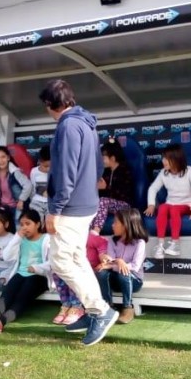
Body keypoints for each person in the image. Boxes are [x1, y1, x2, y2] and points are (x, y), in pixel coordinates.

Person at [38, 79, 118, 347]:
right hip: (85, 203)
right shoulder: (86, 123)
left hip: (71, 207)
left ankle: (100, 311)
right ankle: (95, 311)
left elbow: (66, 172)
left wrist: (54, 210)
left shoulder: (69, 125)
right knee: (76, 258)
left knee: (60, 262)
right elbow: (97, 167)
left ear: (50, 104)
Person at [143, 144, 191, 258]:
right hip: (171, 203)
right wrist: (151, 204)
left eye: (167, 158)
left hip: (187, 204)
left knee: (173, 209)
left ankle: (175, 244)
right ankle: (160, 245)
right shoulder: (163, 173)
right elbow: (153, 188)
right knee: (162, 207)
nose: (163, 161)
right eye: (163, 158)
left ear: (176, 159)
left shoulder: (189, 171)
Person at [96, 208, 147, 324]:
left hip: (134, 281)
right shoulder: (112, 240)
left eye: (116, 222)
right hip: (116, 280)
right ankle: (108, 306)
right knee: (101, 271)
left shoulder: (140, 243)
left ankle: (128, 307)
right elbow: (109, 262)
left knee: (124, 272)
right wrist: (116, 262)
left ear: (126, 225)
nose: (112, 225)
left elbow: (134, 266)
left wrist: (118, 262)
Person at [52, 231, 106, 325]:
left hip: (85, 270)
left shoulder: (88, 236)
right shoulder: (62, 237)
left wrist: (104, 258)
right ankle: (66, 305)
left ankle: (76, 307)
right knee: (58, 273)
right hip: (67, 263)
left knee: (74, 275)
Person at [90, 138, 134, 235]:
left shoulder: (124, 170)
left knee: (103, 201)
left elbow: (123, 192)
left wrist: (106, 188)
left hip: (124, 205)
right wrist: (98, 188)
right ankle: (87, 232)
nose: (102, 161)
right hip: (108, 206)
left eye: (103, 158)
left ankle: (95, 232)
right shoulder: (105, 172)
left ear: (112, 158)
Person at [29, 146, 51, 221]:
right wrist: (32, 200)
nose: (48, 169)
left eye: (51, 166)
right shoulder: (34, 171)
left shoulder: (56, 172)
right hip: (37, 201)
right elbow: (33, 187)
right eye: (46, 166)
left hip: (50, 203)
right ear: (39, 162)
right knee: (37, 221)